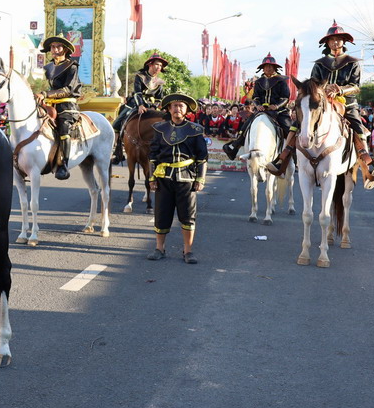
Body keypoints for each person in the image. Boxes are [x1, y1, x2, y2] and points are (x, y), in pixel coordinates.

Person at [267, 23, 374, 187]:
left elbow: (356, 87)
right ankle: (283, 157)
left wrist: (340, 90)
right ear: (327, 43)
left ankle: (367, 162)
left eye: (339, 40)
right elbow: (311, 84)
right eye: (332, 40)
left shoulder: (352, 63)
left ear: (344, 42)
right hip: (321, 103)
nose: (335, 43)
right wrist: (320, 90)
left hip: (346, 104)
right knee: (297, 124)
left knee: (357, 125)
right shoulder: (320, 63)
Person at [147, 93, 209, 264]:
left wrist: (200, 179)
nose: (177, 109)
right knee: (161, 214)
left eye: (181, 106)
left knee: (188, 216)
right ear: (168, 109)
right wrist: (152, 178)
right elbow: (153, 155)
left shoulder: (195, 130)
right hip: (163, 179)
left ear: (187, 110)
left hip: (186, 180)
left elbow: (202, 157)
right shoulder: (159, 129)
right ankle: (159, 249)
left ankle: (188, 251)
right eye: (174, 106)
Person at [223, 53, 291, 160]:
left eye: (270, 66)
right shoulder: (259, 82)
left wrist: (277, 106)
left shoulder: (281, 81)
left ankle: (295, 153)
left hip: (278, 111)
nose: (268, 68)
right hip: (262, 111)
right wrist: (258, 105)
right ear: (262, 69)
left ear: (275, 68)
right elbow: (255, 97)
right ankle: (235, 146)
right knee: (247, 124)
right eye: (266, 66)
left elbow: (285, 98)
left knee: (289, 128)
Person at [38, 36, 82, 180]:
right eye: (52, 47)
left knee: (63, 126)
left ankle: (64, 164)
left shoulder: (72, 66)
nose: (55, 50)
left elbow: (68, 89)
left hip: (67, 105)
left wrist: (46, 94)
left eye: (58, 47)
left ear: (65, 49)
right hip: (51, 103)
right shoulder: (49, 67)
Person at [111, 53, 167, 164]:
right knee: (116, 123)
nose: (158, 67)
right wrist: (140, 105)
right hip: (136, 104)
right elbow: (137, 93)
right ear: (150, 64)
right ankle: (117, 151)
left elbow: (159, 98)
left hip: (152, 106)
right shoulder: (140, 76)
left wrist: (158, 107)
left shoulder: (160, 82)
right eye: (157, 64)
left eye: (160, 65)